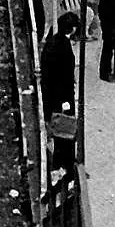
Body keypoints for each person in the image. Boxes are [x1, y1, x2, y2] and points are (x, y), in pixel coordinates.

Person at [40, 11, 80, 169]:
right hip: (62, 98)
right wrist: (65, 102)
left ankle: (62, 162)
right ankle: (66, 164)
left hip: (51, 95)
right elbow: (63, 77)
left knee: (59, 131)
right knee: (66, 131)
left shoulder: (52, 42)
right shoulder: (62, 47)